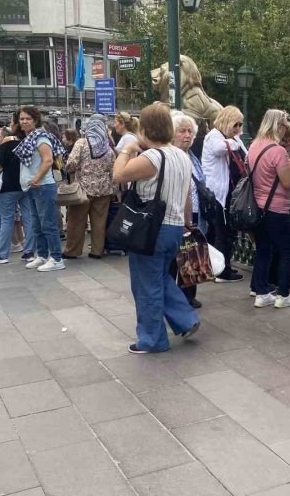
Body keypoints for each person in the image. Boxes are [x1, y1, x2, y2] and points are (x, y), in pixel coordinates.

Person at [112, 104, 199, 353]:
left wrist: (127, 149)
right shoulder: (182, 157)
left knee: (146, 285)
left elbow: (118, 175)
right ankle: (185, 318)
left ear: (145, 128)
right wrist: (186, 223)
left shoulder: (152, 157)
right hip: (172, 228)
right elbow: (185, 196)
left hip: (151, 229)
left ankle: (152, 340)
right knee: (160, 277)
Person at [248, 110, 290, 308]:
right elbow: (288, 182)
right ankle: (283, 294)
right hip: (277, 208)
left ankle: (261, 292)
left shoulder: (254, 146)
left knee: (263, 249)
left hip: (259, 207)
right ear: (278, 126)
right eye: (285, 126)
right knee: (288, 249)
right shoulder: (277, 150)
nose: (286, 129)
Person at [16, 106, 66, 272]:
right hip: (33, 187)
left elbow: (48, 160)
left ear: (35, 120)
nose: (24, 121)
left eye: (27, 118)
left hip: (42, 186)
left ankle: (57, 259)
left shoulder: (40, 138)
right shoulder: (30, 138)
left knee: (48, 225)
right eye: (21, 118)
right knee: (37, 225)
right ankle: (43, 256)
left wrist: (36, 178)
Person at [201, 105, 246, 282]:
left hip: (224, 192)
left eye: (240, 125)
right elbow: (220, 149)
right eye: (236, 124)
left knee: (222, 231)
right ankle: (220, 270)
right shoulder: (213, 136)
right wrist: (234, 141)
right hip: (216, 193)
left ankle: (221, 266)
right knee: (220, 232)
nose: (238, 129)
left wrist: (235, 140)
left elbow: (246, 153)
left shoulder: (227, 137)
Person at [63, 114, 115, 259]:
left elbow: (71, 164)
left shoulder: (82, 143)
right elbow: (112, 168)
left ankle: (72, 251)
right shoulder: (108, 146)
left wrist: (71, 168)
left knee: (76, 221)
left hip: (83, 190)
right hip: (104, 190)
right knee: (99, 222)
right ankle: (97, 251)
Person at [171, 110, 206, 308]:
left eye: (190, 131)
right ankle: (176, 297)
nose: (186, 135)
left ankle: (188, 295)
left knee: (191, 254)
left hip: (194, 210)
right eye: (182, 131)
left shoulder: (191, 155)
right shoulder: (172, 155)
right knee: (176, 258)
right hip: (176, 213)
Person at [0, 121, 35, 264]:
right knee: (28, 219)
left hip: (9, 186)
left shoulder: (7, 143)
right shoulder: (30, 142)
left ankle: (2, 254)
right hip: (26, 185)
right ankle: (29, 252)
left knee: (6, 219)